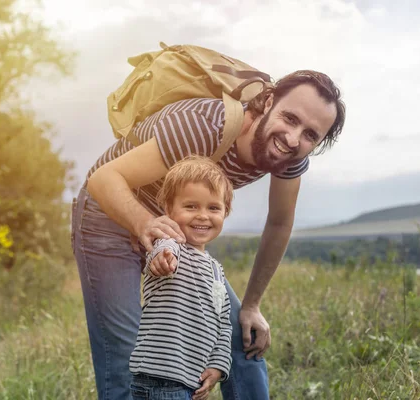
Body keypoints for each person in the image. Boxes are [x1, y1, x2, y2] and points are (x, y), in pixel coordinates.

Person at [70, 69, 346, 400]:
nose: (291, 138)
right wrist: (143, 223)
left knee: (241, 341)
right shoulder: (204, 125)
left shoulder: (290, 158)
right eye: (289, 118)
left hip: (177, 226)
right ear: (269, 102)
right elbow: (103, 179)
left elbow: (279, 223)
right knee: (127, 363)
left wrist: (252, 305)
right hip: (109, 213)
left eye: (310, 135)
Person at [129, 155, 233, 400]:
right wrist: (163, 259)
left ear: (225, 212)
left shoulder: (217, 270)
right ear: (169, 210)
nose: (203, 215)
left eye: (213, 208)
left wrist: (218, 367)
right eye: (191, 206)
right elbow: (162, 254)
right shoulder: (170, 244)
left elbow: (224, 325)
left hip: (189, 382)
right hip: (161, 380)